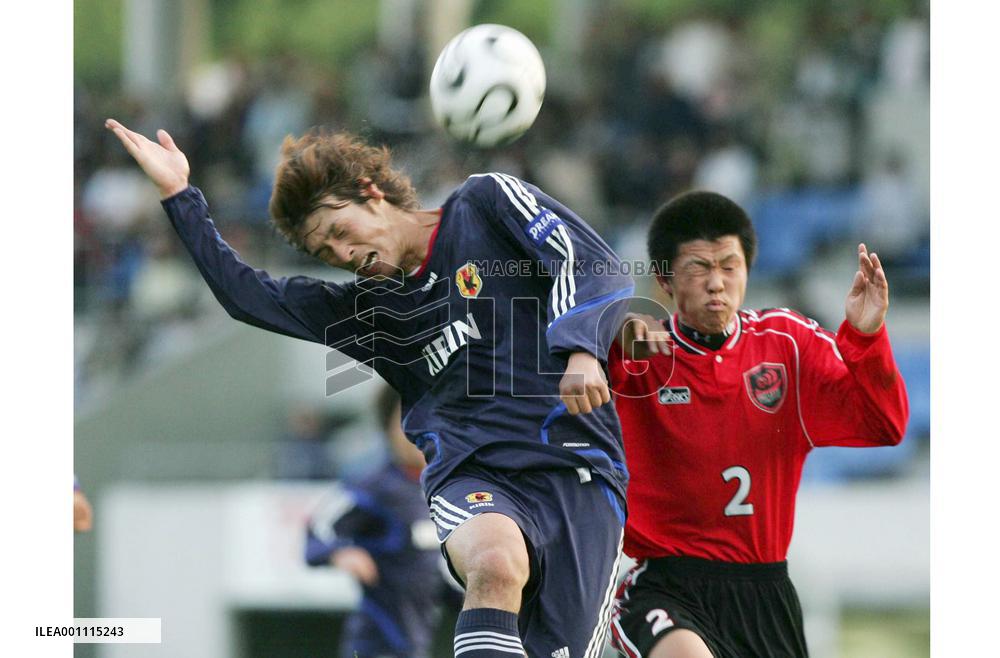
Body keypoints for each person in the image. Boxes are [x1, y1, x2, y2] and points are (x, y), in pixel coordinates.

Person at [106, 118, 633, 658]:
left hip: (579, 470)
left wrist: (583, 348)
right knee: (494, 565)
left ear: (370, 192)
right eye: (324, 253)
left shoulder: (484, 202)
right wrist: (179, 194)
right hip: (474, 473)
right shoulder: (367, 312)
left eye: (338, 231)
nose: (340, 254)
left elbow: (592, 263)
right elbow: (247, 294)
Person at [607, 191, 909, 658]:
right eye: (698, 268)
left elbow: (883, 425)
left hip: (765, 594)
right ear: (665, 281)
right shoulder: (639, 354)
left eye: (729, 266)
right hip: (666, 586)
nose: (717, 283)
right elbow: (560, 342)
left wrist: (866, 337)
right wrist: (597, 347)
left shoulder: (787, 344)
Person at [305, 386, 458, 658]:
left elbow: (435, 576)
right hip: (376, 645)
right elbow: (318, 528)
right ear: (387, 427)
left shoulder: (440, 490)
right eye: (406, 422)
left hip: (417, 645)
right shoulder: (373, 486)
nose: (415, 433)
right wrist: (340, 552)